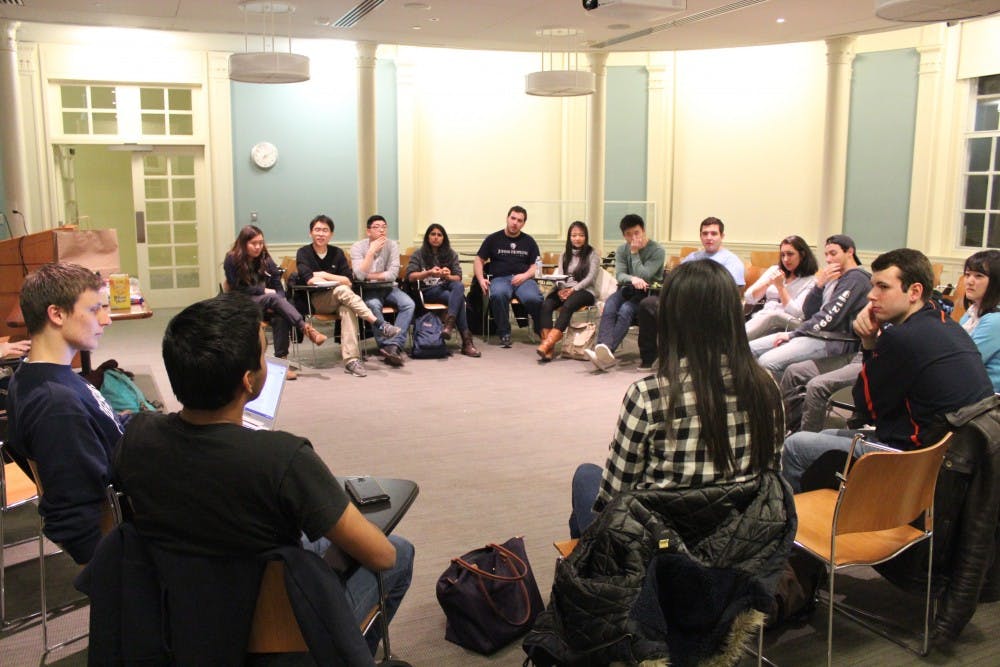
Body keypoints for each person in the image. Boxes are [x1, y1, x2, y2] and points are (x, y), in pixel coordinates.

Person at [113, 293, 414, 654]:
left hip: (175, 615)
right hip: (276, 627)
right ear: (248, 381)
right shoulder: (282, 457)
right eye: (262, 354)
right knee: (400, 551)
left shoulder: (138, 436)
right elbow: (381, 556)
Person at [570, 259, 784, 536]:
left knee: (586, 477)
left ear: (671, 319)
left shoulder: (648, 396)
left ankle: (589, 571)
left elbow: (613, 500)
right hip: (740, 544)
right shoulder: (768, 387)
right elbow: (772, 477)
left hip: (660, 553)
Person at [780, 248, 994, 493]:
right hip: (955, 458)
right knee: (827, 433)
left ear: (914, 292)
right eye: (873, 286)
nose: (871, 296)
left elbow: (866, 409)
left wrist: (869, 343)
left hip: (913, 462)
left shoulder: (900, 337)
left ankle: (792, 525)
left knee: (796, 446)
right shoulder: (946, 324)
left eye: (883, 287)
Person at [4, 263, 122, 564]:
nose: (106, 319)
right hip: (134, 524)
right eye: (95, 309)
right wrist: (117, 581)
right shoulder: (57, 407)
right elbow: (73, 523)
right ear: (56, 314)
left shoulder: (34, 375)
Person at [628, 216, 741, 372]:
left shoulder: (731, 261)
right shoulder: (693, 257)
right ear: (700, 236)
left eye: (714, 234)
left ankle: (679, 358)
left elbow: (732, 293)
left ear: (722, 236)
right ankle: (650, 357)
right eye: (705, 233)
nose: (709, 237)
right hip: (685, 302)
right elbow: (676, 279)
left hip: (711, 308)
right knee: (648, 305)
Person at [295, 214, 402, 378]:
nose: (321, 234)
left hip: (340, 298)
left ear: (331, 234)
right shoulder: (304, 253)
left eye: (325, 230)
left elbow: (348, 280)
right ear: (311, 233)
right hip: (318, 300)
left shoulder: (337, 253)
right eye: (317, 230)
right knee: (343, 291)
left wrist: (324, 274)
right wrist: (334, 279)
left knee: (347, 308)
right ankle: (379, 323)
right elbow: (309, 279)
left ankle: (351, 360)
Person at [749, 234, 870, 378]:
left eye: (833, 253)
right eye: (826, 254)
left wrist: (793, 334)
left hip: (833, 341)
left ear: (850, 252)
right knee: (748, 349)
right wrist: (819, 286)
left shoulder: (856, 278)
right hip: (814, 333)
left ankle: (775, 400)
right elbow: (809, 312)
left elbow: (829, 318)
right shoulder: (834, 277)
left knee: (766, 362)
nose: (828, 259)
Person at [224, 224, 326, 378]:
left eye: (261, 243)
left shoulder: (265, 258)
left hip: (266, 303)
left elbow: (278, 286)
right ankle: (305, 328)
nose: (258, 247)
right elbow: (237, 288)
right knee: (272, 298)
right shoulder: (232, 259)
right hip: (242, 303)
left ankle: (281, 365)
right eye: (254, 243)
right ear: (244, 243)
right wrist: (263, 291)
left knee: (280, 316)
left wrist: (278, 301)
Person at [586, 214, 664, 371]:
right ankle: (604, 350)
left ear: (643, 231)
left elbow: (646, 275)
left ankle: (606, 352)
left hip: (648, 294)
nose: (633, 237)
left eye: (636, 232)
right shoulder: (622, 249)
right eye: (628, 234)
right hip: (627, 289)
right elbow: (620, 274)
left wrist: (634, 253)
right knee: (610, 304)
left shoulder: (657, 250)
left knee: (625, 310)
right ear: (624, 235)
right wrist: (633, 279)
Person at [406, 223, 480, 357]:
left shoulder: (450, 254)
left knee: (458, 286)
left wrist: (447, 275)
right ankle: (466, 342)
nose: (436, 237)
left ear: (443, 238)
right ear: (428, 237)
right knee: (458, 300)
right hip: (427, 291)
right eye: (433, 234)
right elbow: (410, 276)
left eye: (439, 235)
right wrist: (428, 273)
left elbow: (457, 277)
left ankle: (449, 324)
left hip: (446, 288)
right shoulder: (419, 254)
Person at [473, 205, 543, 348]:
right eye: (513, 218)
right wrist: (481, 279)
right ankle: (504, 333)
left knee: (534, 298)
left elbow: (536, 265)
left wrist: (524, 276)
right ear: (507, 218)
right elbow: (478, 260)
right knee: (498, 295)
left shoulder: (529, 241)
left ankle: (540, 328)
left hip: (523, 280)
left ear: (523, 224)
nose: (515, 222)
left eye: (519, 220)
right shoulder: (493, 239)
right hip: (500, 279)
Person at [350, 215, 415, 367]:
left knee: (409, 304)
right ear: (368, 231)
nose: (381, 230)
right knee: (373, 305)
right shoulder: (358, 247)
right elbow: (359, 276)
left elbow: (393, 275)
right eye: (377, 227)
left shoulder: (392, 245)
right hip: (368, 289)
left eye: (384, 227)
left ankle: (393, 345)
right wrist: (371, 252)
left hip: (389, 287)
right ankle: (385, 345)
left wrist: (369, 276)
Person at [536, 221, 599, 361]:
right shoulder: (565, 254)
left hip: (585, 291)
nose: (577, 238)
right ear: (569, 237)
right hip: (565, 289)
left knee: (568, 305)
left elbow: (590, 278)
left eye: (581, 235)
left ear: (586, 237)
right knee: (546, 304)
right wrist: (561, 289)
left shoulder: (592, 253)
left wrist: (573, 290)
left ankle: (547, 343)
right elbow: (561, 274)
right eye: (574, 235)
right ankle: (548, 349)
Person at [744, 235, 819, 340]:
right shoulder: (774, 270)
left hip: (788, 322)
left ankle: (735, 343)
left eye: (790, 254)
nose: (785, 259)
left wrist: (780, 287)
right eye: (782, 255)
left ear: (802, 255)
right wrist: (769, 282)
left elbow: (797, 312)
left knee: (773, 316)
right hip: (762, 317)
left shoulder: (811, 281)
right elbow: (749, 298)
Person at [780, 352, 861, 434]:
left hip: (869, 361)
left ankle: (806, 442)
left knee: (816, 386)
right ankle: (784, 433)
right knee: (793, 371)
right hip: (858, 354)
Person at [960, 249, 1000, 393]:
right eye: (967, 274)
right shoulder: (972, 312)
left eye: (979, 276)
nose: (969, 281)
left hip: (990, 402)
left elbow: (963, 363)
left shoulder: (996, 320)